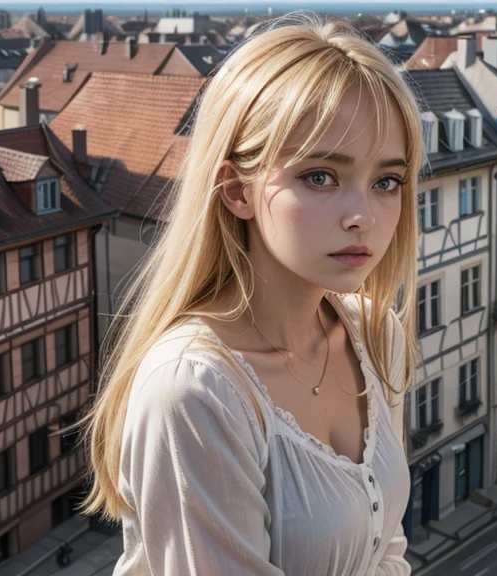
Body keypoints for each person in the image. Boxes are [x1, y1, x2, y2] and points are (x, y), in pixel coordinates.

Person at [79, 13, 422, 575]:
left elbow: (386, 552)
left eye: (387, 182)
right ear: (237, 190)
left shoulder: (371, 333)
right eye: (320, 176)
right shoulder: (195, 391)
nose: (364, 216)